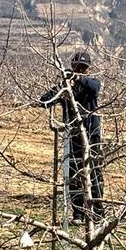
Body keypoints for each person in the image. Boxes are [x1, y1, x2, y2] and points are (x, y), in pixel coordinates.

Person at [40, 50, 105, 225]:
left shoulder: (92, 82)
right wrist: (63, 86)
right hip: (73, 134)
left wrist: (78, 78)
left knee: (94, 173)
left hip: (91, 134)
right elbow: (45, 101)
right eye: (77, 67)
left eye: (84, 68)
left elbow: (96, 89)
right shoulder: (67, 88)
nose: (80, 70)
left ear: (88, 69)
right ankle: (78, 213)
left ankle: (98, 213)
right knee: (74, 175)